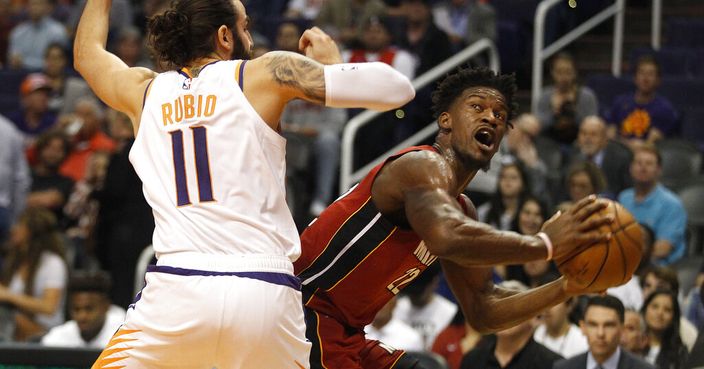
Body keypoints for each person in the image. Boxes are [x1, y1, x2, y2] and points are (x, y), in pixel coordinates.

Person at [74, 0, 415, 367]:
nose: (249, 36)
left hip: (177, 291)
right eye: (245, 26)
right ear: (224, 36)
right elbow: (398, 91)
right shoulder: (262, 73)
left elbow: (88, 56)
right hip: (264, 290)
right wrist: (331, 66)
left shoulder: (142, 91)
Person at [294, 67, 614, 369]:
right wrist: (543, 244)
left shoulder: (462, 210)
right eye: (477, 107)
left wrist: (569, 287)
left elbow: (484, 309)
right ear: (446, 121)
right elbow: (446, 236)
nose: (490, 115)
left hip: (345, 330)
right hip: (302, 311)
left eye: (500, 115)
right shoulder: (421, 165)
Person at [460, 280, 564, 369]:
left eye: (511, 309)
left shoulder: (553, 364)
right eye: (497, 308)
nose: (503, 315)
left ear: (533, 317)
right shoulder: (472, 360)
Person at [0, 207, 68, 341]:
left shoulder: (53, 263)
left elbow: (49, 307)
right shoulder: (16, 260)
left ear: (32, 231)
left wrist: (9, 295)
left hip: (46, 330)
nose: (13, 229)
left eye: (20, 225)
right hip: (13, 322)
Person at [618, 145, 687, 265]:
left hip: (656, 271)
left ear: (659, 170)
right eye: (638, 163)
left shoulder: (671, 204)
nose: (643, 168)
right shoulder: (624, 197)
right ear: (631, 168)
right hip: (625, 266)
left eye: (649, 164)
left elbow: (662, 249)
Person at [553, 295, 655, 369]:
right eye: (593, 324)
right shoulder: (563, 367)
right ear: (583, 328)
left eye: (608, 325)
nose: (600, 333)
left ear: (622, 329)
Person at [606, 56, 679, 150]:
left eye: (650, 74)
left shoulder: (664, 109)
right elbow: (610, 136)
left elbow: (652, 143)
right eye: (641, 73)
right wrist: (627, 144)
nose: (645, 78)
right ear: (635, 78)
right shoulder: (620, 103)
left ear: (658, 80)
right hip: (619, 153)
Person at [41, 271, 125, 348]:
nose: (82, 316)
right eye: (76, 309)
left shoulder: (126, 336)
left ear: (106, 307)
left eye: (89, 309)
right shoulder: (56, 338)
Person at [536, 52, 598, 145]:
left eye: (568, 72)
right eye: (559, 72)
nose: (563, 77)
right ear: (552, 72)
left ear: (574, 73)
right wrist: (553, 112)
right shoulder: (546, 95)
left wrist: (574, 111)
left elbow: (593, 127)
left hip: (579, 143)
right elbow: (538, 126)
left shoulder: (587, 96)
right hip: (550, 143)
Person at [565, 116, 632, 199]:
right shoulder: (572, 157)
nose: (587, 138)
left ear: (604, 139)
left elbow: (626, 193)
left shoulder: (620, 159)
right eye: (584, 133)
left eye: (593, 134)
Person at [0, 113, 30, 243]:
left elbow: (21, 178)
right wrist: (17, 217)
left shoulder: (8, 130)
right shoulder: (8, 128)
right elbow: (21, 179)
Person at [642, 290, 689, 369]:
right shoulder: (632, 343)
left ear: (674, 317)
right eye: (655, 307)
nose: (660, 313)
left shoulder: (680, 352)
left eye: (667, 310)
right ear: (645, 309)